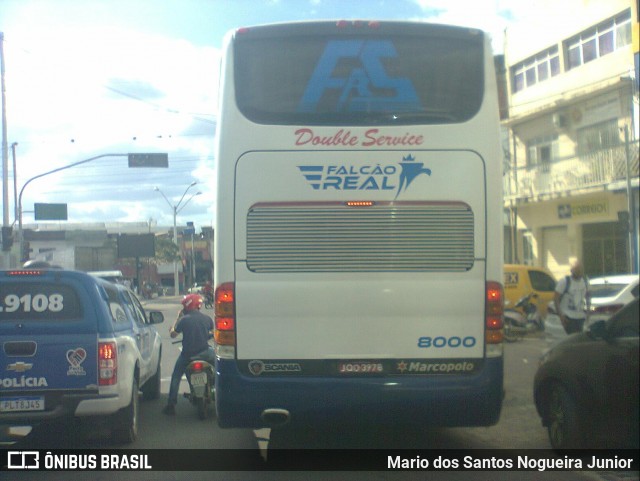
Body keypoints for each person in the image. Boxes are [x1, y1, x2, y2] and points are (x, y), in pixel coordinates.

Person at [162, 294, 214, 415]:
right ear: (198, 305)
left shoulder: (184, 320)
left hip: (187, 356)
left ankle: (171, 404)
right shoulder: (207, 319)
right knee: (220, 367)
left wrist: (177, 318)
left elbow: (173, 334)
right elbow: (212, 333)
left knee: (176, 376)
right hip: (205, 353)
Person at [554, 260, 590, 334]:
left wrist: (588, 312)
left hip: (580, 317)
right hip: (568, 317)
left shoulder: (585, 282)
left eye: (581, 269)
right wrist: (561, 316)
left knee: (578, 340)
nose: (579, 272)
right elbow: (556, 298)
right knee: (572, 339)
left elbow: (588, 297)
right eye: (577, 269)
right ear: (571, 270)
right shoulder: (565, 281)